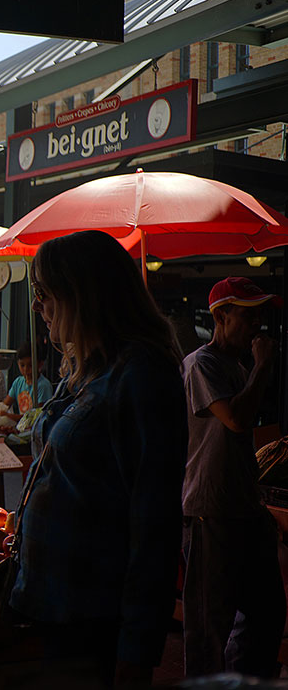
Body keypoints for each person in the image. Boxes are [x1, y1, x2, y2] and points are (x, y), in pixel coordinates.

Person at [10, 230, 187, 688]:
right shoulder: (86, 372)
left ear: (80, 296)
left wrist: (137, 647)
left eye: (43, 294)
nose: (37, 307)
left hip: (94, 619)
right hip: (57, 609)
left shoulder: (142, 375)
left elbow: (155, 523)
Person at [181, 277, 285, 679]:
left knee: (267, 611)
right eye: (247, 315)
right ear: (220, 316)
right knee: (210, 626)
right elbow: (237, 420)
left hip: (244, 508)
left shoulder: (237, 366)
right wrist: (262, 366)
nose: (256, 324)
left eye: (260, 314)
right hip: (211, 511)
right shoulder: (201, 363)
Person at [1, 341, 54, 415]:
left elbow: (37, 417)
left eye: (30, 365)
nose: (26, 370)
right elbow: (5, 405)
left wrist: (9, 416)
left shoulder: (43, 386)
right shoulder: (18, 382)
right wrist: (0, 410)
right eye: (22, 365)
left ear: (40, 364)